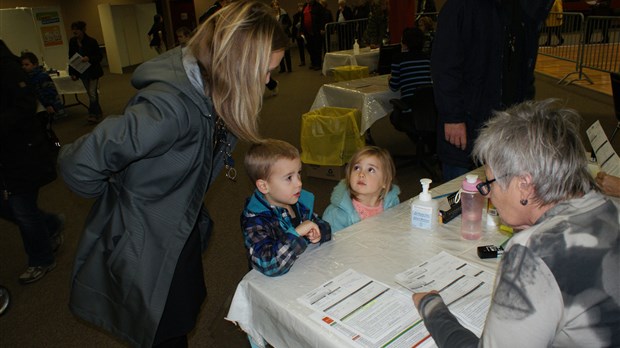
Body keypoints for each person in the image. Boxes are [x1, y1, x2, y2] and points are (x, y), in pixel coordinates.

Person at [57, 2, 288, 347]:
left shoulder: (212, 91)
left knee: (180, 315)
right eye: (264, 71)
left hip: (178, 230)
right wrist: (123, 204)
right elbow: (78, 163)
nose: (268, 81)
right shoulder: (169, 110)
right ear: (237, 64)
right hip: (147, 243)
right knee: (162, 330)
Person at [412, 99, 620, 347]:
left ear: (524, 185)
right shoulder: (611, 207)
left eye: (490, 183)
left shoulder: (534, 251)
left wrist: (433, 309)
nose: (487, 194)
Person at [431, 0, 553, 181]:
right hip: (467, 119)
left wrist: (527, 113)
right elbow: (445, 67)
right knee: (460, 190)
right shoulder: (461, 7)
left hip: (508, 121)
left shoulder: (524, 11)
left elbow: (525, 70)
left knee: (504, 186)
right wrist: (453, 117)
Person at [1, 40, 64, 285]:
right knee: (8, 205)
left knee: (21, 207)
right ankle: (50, 223)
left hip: (22, 150)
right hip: (7, 153)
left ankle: (41, 258)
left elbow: (25, 106)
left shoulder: (8, 68)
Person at [241, 139, 332, 276]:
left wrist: (318, 232)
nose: (299, 183)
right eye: (289, 178)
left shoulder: (298, 202)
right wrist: (296, 235)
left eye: (299, 173)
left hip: (302, 273)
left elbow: (324, 227)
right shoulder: (255, 219)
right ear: (264, 186)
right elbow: (269, 265)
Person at [323, 146, 400, 232]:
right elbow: (331, 244)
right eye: (357, 168)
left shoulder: (391, 204)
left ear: (385, 181)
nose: (361, 174)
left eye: (370, 170)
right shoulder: (336, 213)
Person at [68, 21, 104, 124]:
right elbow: (71, 57)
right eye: (73, 29)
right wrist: (72, 73)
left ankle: (92, 115)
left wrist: (89, 58)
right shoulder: (72, 42)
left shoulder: (91, 41)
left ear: (83, 30)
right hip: (81, 71)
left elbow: (99, 56)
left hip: (93, 71)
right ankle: (98, 112)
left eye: (77, 29)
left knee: (92, 93)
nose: (74, 31)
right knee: (90, 94)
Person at [388, 27, 432, 102]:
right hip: (428, 104)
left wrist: (389, 79)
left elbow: (394, 87)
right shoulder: (427, 58)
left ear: (405, 43)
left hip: (409, 105)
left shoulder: (399, 59)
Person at [20, 51, 66, 120]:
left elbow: (50, 92)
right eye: (22, 65)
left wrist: (49, 105)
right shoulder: (27, 77)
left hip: (47, 105)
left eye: (27, 65)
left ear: (35, 65)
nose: (23, 67)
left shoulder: (42, 76)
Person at [301, 0, 327, 70]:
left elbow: (323, 18)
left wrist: (322, 28)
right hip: (307, 31)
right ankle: (313, 63)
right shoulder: (305, 6)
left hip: (316, 31)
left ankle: (318, 64)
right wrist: (302, 30)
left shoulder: (318, 6)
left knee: (317, 48)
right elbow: (302, 19)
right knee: (310, 48)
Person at [273, 1, 292, 73]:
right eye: (273, 6)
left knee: (287, 52)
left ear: (279, 6)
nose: (275, 7)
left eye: (276, 5)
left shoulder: (284, 13)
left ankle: (289, 68)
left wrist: (284, 27)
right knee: (279, 52)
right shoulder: (271, 15)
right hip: (276, 36)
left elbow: (290, 23)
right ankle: (282, 68)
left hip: (284, 34)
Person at [292, 2, 307, 66]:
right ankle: (302, 61)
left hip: (305, 33)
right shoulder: (295, 16)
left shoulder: (306, 14)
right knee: (300, 49)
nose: (300, 8)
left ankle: (313, 60)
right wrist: (293, 36)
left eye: (301, 7)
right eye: (299, 7)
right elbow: (293, 26)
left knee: (309, 47)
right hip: (298, 34)